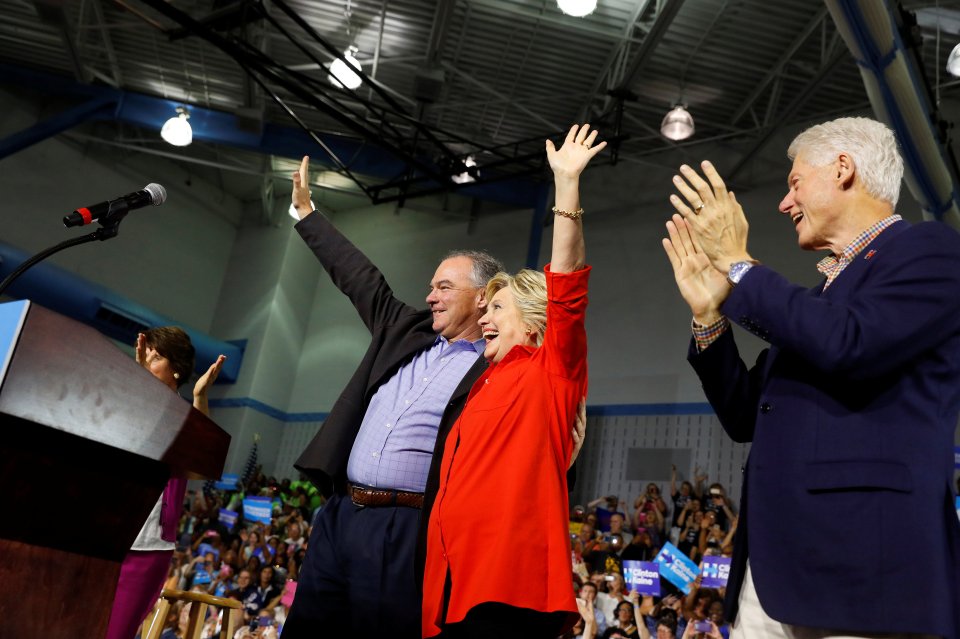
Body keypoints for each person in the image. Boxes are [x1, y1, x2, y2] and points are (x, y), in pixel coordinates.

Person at [661, 116, 960, 637]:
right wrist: (709, 317)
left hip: (861, 566)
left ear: (843, 169)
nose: (784, 202)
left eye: (795, 182)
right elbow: (744, 414)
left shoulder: (931, 250)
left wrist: (738, 263)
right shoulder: (819, 300)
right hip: (774, 567)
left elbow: (850, 344)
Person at [283, 155, 588, 638]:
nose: (431, 296)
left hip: (407, 530)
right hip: (340, 513)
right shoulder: (404, 329)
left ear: (483, 296)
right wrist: (308, 216)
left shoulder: (494, 368)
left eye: (445, 286)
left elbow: (562, 325)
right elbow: (360, 277)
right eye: (431, 286)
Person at [422, 124, 605, 638]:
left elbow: (567, 286)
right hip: (453, 585)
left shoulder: (552, 370)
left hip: (509, 589)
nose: (484, 318)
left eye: (496, 308)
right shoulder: (481, 383)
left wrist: (566, 185)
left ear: (532, 318)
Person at [104, 327, 226, 639]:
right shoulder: (128, 404)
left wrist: (200, 397)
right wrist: (136, 375)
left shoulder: (183, 417)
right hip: (105, 539)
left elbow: (201, 459)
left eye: (156, 358)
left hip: (146, 549)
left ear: (176, 369)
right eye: (146, 354)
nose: (147, 361)